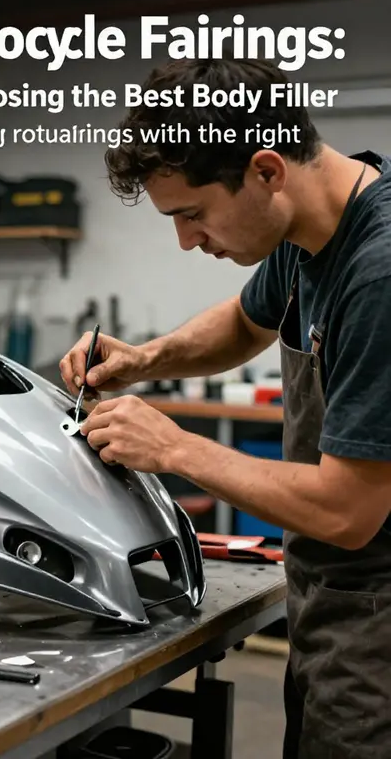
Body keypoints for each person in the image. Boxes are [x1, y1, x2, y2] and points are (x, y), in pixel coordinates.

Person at [59, 57, 391, 759]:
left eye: (192, 214)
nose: (186, 240)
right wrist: (144, 360)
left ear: (266, 171)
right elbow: (245, 323)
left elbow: (348, 511)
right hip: (332, 599)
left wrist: (175, 449)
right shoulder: (311, 231)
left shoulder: (379, 273)